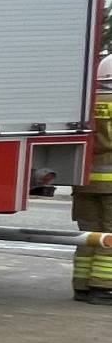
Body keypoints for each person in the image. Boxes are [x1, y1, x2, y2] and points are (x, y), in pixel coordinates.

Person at [77, 53, 112, 303]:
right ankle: (103, 287)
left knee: (88, 236)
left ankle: (81, 286)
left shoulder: (86, 100)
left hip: (84, 182)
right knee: (110, 236)